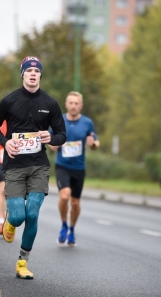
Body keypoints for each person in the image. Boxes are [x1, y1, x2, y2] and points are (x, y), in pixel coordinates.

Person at [0, 56, 66, 279]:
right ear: (23, 74)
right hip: (13, 166)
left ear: (41, 75)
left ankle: (22, 262)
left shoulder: (50, 103)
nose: (33, 74)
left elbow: (62, 134)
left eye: (37, 71)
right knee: (19, 215)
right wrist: (6, 142)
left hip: (38, 167)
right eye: (29, 70)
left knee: (32, 213)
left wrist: (50, 136)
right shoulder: (9, 101)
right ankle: (9, 222)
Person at [49, 91, 100, 247]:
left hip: (79, 168)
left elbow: (95, 143)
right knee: (65, 197)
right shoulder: (59, 120)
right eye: (70, 103)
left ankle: (72, 229)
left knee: (76, 203)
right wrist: (54, 145)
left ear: (81, 106)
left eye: (76, 103)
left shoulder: (87, 123)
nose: (73, 106)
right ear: (66, 104)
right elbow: (50, 143)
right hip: (62, 165)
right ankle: (64, 225)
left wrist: (92, 144)